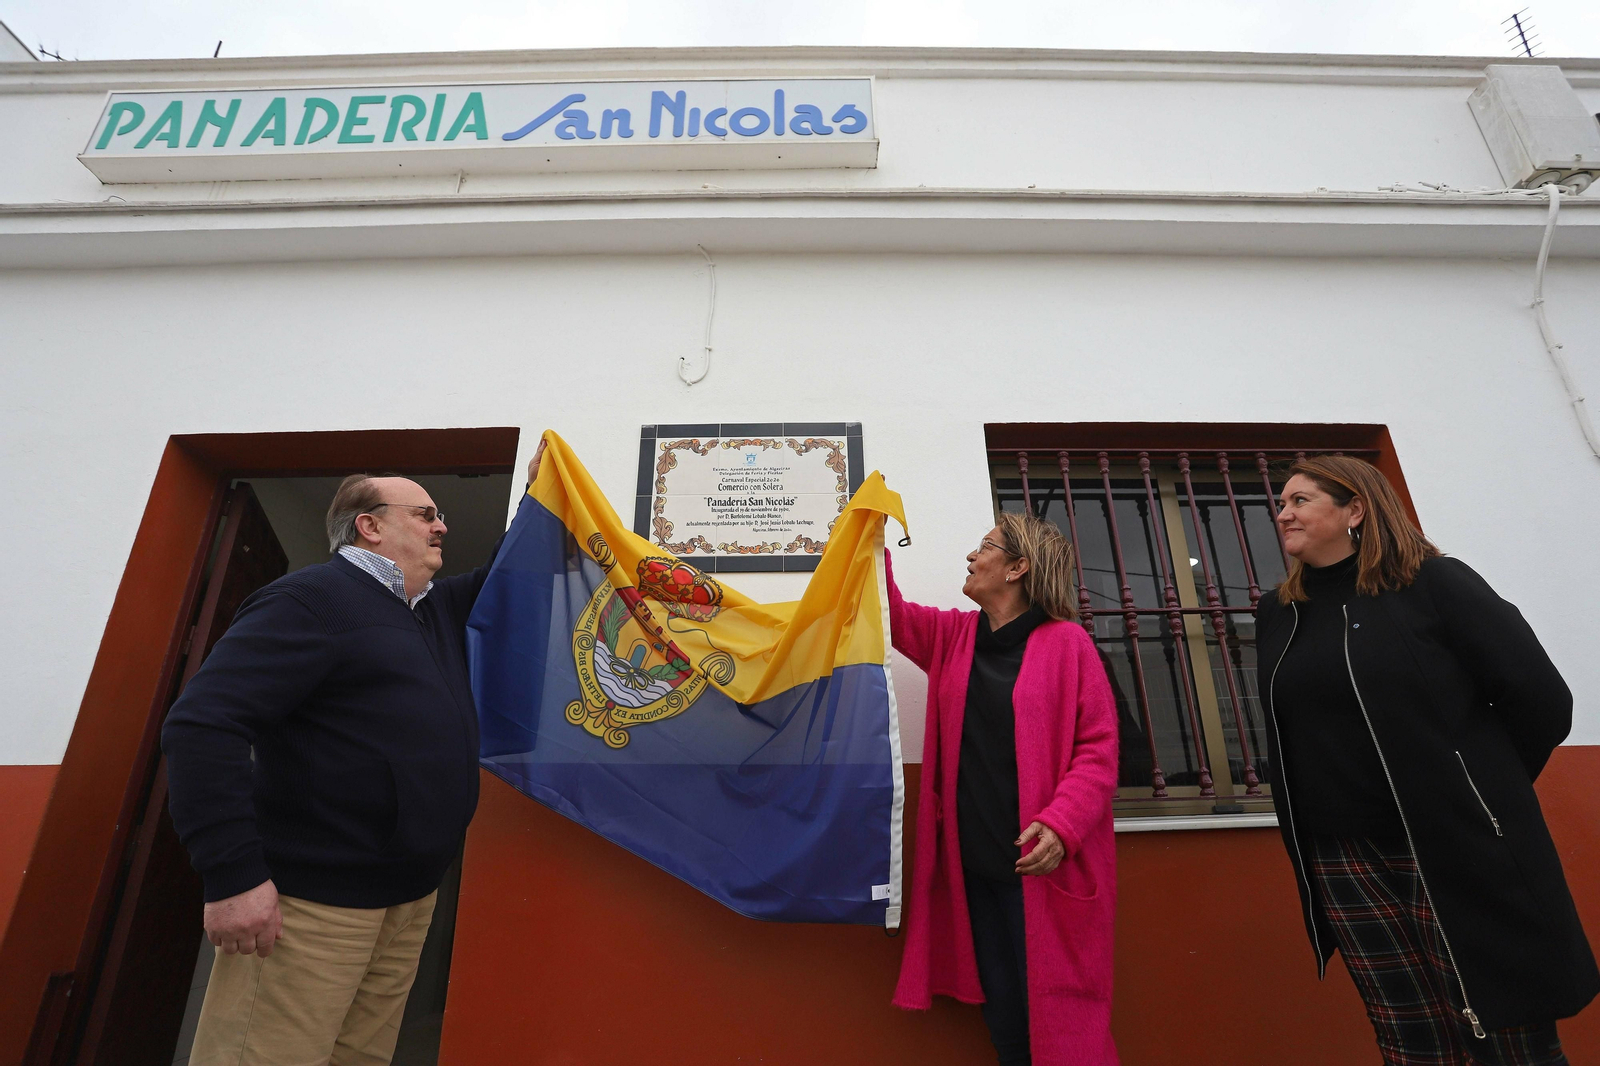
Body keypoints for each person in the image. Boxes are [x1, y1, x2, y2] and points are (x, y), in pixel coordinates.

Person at [162, 443, 545, 1066]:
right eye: (425, 514)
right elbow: (204, 724)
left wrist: (540, 495)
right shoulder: (310, 600)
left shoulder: (432, 611)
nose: (441, 525)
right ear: (369, 525)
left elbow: (512, 573)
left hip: (408, 902)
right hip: (314, 906)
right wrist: (232, 877)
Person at [1255, 455, 1597, 1065]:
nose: (1283, 514)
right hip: (1342, 858)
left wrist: (1477, 792)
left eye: (1300, 500)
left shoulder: (1434, 584)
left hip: (1451, 842)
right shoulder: (1280, 612)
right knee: (1411, 1039)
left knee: (1506, 1032)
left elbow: (1542, 700)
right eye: (1281, 503)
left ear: (1355, 509)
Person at [888, 511, 1119, 1066]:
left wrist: (1061, 825)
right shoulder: (953, 636)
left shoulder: (1068, 644)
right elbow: (885, 612)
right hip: (974, 871)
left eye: (985, 547)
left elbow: (1098, 749)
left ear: (1018, 568)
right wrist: (868, 537)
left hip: (1041, 871)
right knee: (1007, 1024)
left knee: (1064, 1025)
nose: (971, 556)